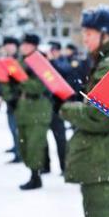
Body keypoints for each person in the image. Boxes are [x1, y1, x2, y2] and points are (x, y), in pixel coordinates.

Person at [61, 6, 109, 217]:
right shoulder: (108, 59)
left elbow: (99, 117)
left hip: (103, 160)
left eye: (89, 34)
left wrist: (65, 108)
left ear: (105, 34)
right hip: (103, 161)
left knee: (104, 215)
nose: (84, 39)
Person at [16, 34, 52, 190]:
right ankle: (33, 172)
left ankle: (35, 176)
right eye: (22, 44)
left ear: (34, 46)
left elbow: (39, 87)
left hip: (38, 110)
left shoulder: (40, 62)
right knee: (24, 144)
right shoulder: (21, 61)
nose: (23, 47)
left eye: (26, 44)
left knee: (35, 146)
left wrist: (20, 79)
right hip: (24, 109)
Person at [43, 40, 71, 174]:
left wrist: (52, 61)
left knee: (60, 140)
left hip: (57, 106)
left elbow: (64, 71)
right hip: (45, 106)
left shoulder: (63, 61)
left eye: (55, 50)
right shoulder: (46, 63)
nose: (52, 53)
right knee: (43, 140)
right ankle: (45, 166)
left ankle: (64, 167)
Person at [0, 36, 22, 163]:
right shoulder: (6, 61)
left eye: (10, 45)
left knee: (17, 127)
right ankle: (16, 147)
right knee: (12, 126)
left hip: (18, 99)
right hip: (9, 99)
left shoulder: (19, 61)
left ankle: (19, 152)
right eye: (6, 45)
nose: (8, 47)